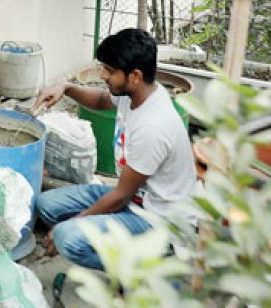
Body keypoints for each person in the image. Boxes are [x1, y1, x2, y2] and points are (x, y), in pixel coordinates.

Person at [31, 28, 195, 270]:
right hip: (134, 200)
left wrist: (74, 223)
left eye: (110, 70)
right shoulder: (138, 94)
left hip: (157, 221)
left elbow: (120, 196)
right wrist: (65, 87)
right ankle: (109, 236)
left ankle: (145, 269)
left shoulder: (153, 127)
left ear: (135, 75)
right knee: (45, 204)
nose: (103, 75)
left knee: (67, 237)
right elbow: (100, 100)